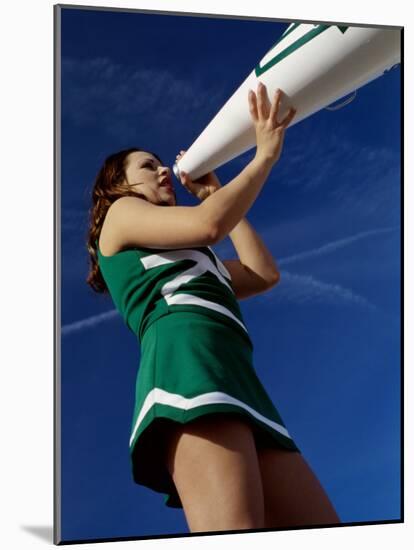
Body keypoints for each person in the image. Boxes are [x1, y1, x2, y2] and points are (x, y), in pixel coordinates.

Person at [86, 82, 341, 533]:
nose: (164, 170)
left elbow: (263, 273)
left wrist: (212, 194)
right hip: (188, 369)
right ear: (119, 183)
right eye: (149, 166)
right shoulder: (119, 214)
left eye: (162, 163)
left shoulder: (197, 260)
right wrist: (262, 158)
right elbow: (208, 225)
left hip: (239, 377)